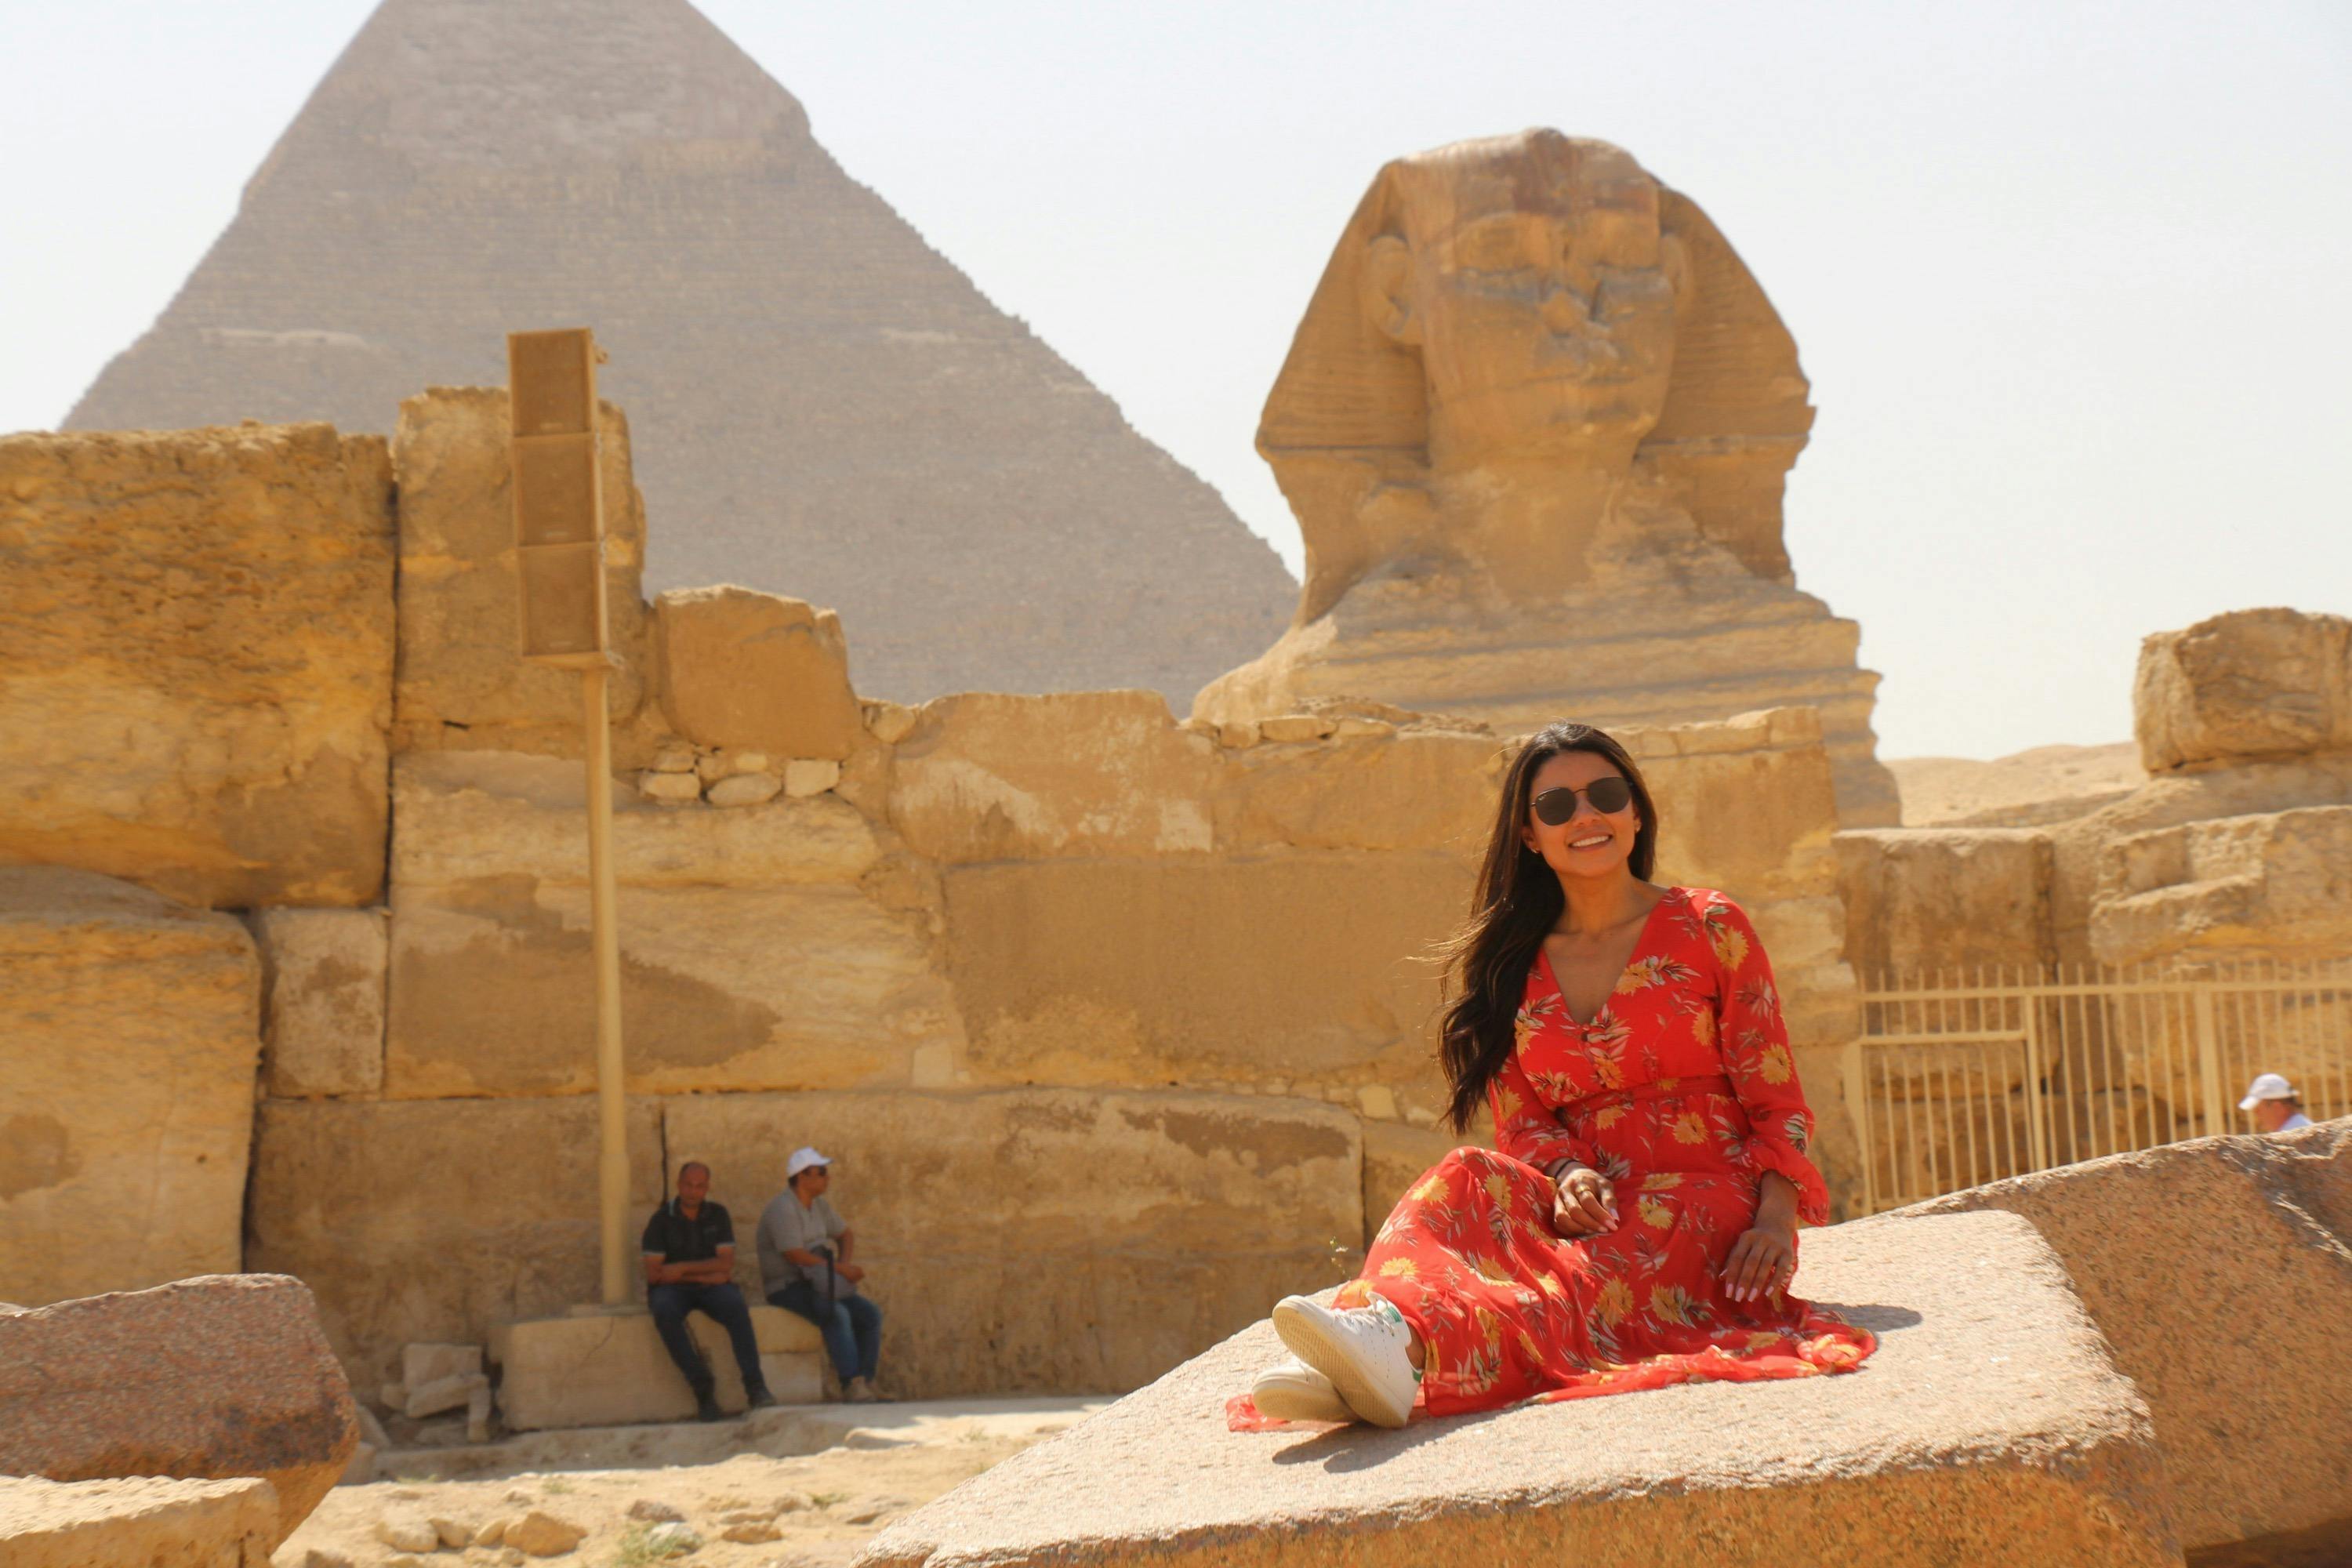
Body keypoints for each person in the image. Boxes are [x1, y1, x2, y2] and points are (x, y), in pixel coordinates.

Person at [1238, 721, 1875, 1430]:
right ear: (1529, 837)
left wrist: (1777, 1219)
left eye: (1605, 794)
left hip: (1703, 1194)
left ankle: (1401, 1349)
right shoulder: (1512, 965)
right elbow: (1525, 1121)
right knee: (1464, 1176)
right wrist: (1567, 1171)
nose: (1587, 816)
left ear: (1636, 813)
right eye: (1557, 806)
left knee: (1574, 1279)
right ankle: (1377, 1339)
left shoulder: (1710, 925)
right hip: (1583, 1195)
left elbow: (1775, 1092)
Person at [641, 1160, 775, 1423]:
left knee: (736, 1306)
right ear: (679, 1185)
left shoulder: (718, 1214)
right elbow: (655, 1273)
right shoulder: (660, 1220)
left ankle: (755, 1386)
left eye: (699, 1186)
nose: (693, 1191)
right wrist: (707, 1273)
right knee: (663, 1310)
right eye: (688, 1185)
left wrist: (680, 1269)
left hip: (709, 1288)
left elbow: (726, 1266)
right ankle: (702, 1388)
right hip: (674, 1291)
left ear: (707, 1187)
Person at [758, 1147, 886, 1403]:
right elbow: (794, 1254)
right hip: (789, 1285)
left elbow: (845, 1234)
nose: (827, 1178)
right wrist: (840, 1270)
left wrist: (844, 1267)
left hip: (821, 1280)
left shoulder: (820, 1206)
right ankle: (851, 1383)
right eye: (822, 1173)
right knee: (836, 1313)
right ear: (802, 1177)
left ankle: (867, 1381)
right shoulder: (782, 1208)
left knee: (870, 1314)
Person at [2241, 1073, 2315, 1133]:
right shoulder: (2300, 1129)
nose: (2256, 1112)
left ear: (2277, 1107)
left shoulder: (2292, 1138)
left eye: (2258, 1108)